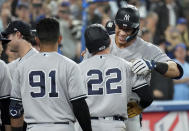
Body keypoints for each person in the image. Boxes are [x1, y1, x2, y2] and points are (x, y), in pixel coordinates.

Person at [84, 4, 183, 131]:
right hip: (99, 109)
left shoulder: (147, 49)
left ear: (136, 29)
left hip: (130, 110)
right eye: (119, 27)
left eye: (128, 30)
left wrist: (153, 64)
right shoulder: (102, 41)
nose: (122, 33)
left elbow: (177, 71)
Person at [9, 18, 92, 131]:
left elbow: (15, 109)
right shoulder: (70, 65)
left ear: (37, 40)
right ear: (60, 39)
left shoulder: (22, 67)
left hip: (35, 127)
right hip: (63, 126)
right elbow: (79, 105)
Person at [78, 24, 153, 131]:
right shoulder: (126, 65)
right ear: (109, 40)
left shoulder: (79, 68)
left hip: (88, 124)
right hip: (115, 124)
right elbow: (147, 97)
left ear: (88, 47)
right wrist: (139, 107)